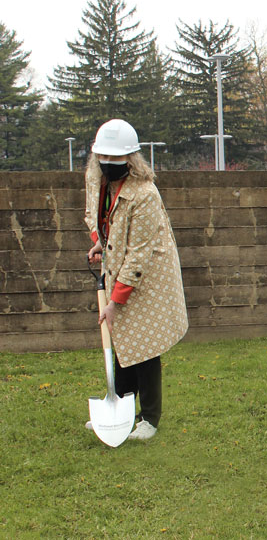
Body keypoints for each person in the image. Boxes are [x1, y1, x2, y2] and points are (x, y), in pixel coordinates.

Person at [84, 119, 188, 441]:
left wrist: (115, 302)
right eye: (104, 158)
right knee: (123, 342)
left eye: (116, 160)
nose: (109, 165)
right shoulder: (101, 183)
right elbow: (106, 221)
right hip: (122, 265)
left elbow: (139, 254)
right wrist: (102, 240)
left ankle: (150, 419)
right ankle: (123, 407)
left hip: (149, 274)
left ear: (131, 159)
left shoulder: (144, 194)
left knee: (145, 343)